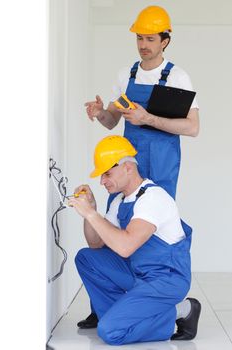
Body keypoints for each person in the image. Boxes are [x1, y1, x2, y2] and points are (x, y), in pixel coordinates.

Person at [69, 135, 201, 345]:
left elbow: (125, 246)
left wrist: (92, 216)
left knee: (111, 332)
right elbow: (95, 244)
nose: (102, 181)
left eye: (107, 173)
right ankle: (121, 316)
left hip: (165, 280)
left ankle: (182, 310)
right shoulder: (121, 200)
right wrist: (91, 211)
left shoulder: (152, 199)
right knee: (86, 258)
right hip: (138, 272)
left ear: (128, 168)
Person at [85, 5, 199, 200]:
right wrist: (101, 113)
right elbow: (111, 121)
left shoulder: (176, 77)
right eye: (139, 38)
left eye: (150, 39)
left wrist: (147, 118)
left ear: (165, 41)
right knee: (120, 219)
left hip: (162, 164)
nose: (143, 45)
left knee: (155, 220)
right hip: (126, 164)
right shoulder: (125, 75)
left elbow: (192, 128)